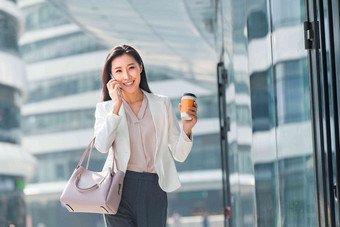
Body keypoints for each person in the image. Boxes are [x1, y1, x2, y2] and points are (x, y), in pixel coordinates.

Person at [93, 45, 198, 227]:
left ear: (140, 67)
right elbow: (101, 146)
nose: (126, 76)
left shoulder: (161, 104)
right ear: (112, 77)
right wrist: (116, 107)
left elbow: (179, 154)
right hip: (118, 189)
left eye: (131, 68)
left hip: (153, 188)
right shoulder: (106, 109)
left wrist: (187, 129)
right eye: (119, 71)